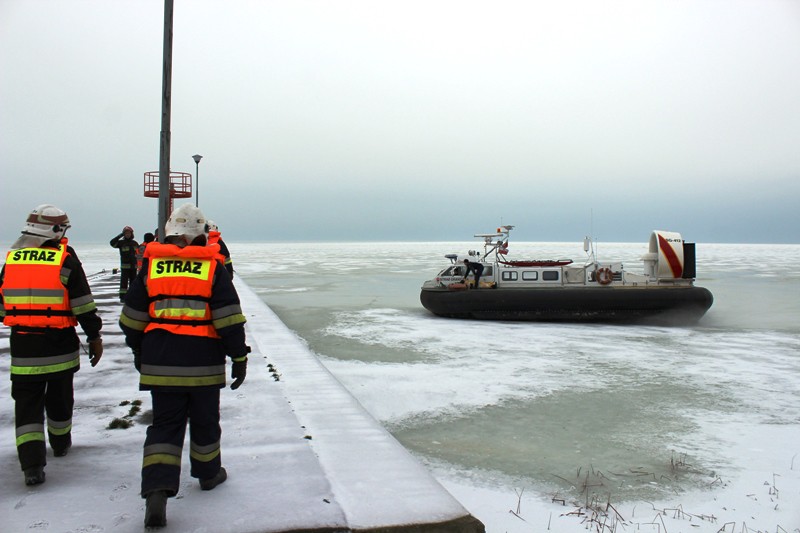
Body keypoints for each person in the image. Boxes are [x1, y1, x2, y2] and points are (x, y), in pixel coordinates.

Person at [118, 203, 250, 528]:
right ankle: (208, 474)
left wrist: (140, 351)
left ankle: (157, 491)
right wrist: (239, 356)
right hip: (204, 364)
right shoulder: (212, 268)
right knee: (205, 422)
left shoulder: (151, 268)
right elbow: (229, 319)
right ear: (201, 236)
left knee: (164, 426)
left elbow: (131, 319)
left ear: (170, 233)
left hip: (160, 363)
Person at [0, 204, 103, 486]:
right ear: (55, 231)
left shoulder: (13, 259)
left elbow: (2, 306)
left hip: (23, 348)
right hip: (58, 347)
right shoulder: (65, 259)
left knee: (26, 406)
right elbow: (83, 304)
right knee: (60, 398)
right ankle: (60, 443)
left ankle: (31, 466)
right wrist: (94, 336)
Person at [109, 226, 139, 301]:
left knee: (133, 282)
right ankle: (123, 297)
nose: (127, 234)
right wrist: (120, 235)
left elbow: (139, 254)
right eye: (125, 233)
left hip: (134, 266)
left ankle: (133, 296)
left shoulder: (135, 243)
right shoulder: (121, 243)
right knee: (124, 283)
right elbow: (112, 243)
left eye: (129, 233)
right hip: (125, 267)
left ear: (131, 234)